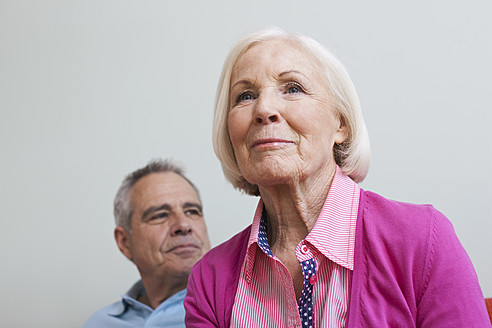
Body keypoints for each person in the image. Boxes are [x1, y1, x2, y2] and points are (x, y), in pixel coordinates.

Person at [184, 27, 490, 327]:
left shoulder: (423, 240)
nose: (264, 109)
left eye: (293, 88)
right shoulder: (209, 281)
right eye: (245, 95)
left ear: (340, 125)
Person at [84, 159, 211, 328]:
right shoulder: (99, 323)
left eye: (192, 211)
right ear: (125, 242)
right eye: (160, 215)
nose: (183, 225)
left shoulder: (242, 308)